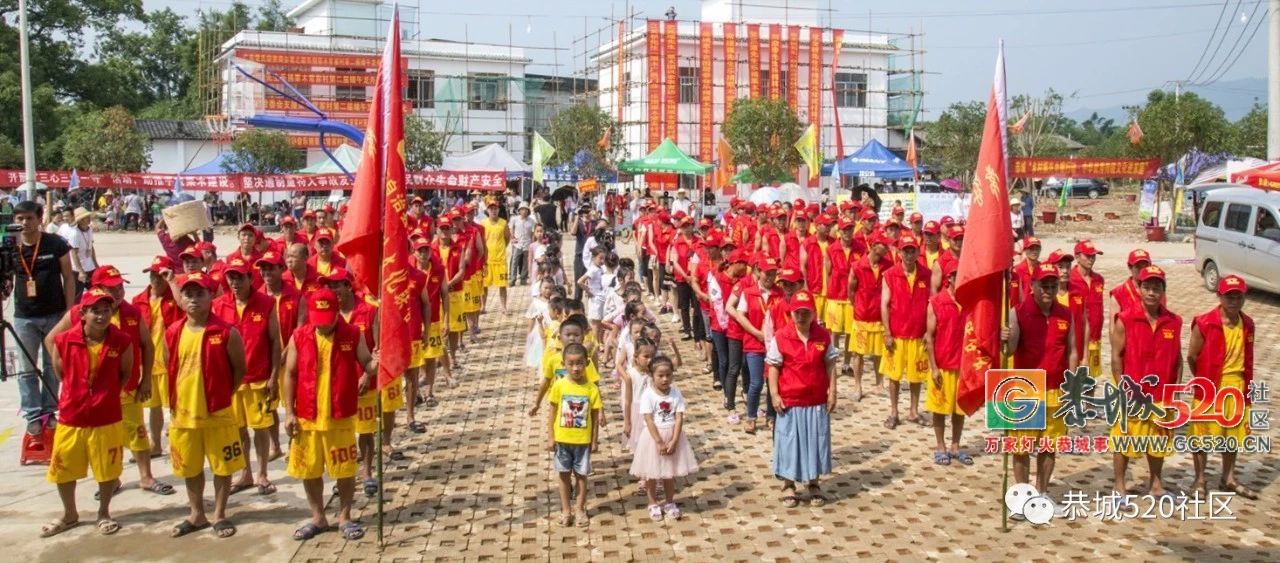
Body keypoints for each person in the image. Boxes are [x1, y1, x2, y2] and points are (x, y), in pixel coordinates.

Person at [283, 288, 377, 541]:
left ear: (337, 312)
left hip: (340, 415)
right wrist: (289, 412)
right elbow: (290, 374)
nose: (322, 325)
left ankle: (345, 517)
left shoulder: (352, 334)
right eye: (317, 319)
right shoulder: (299, 336)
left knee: (345, 469)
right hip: (306, 416)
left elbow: (366, 361)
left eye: (327, 318)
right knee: (309, 470)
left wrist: (376, 364)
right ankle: (318, 518)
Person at [40, 288, 134, 537]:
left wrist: (106, 394)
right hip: (72, 415)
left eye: (106, 311)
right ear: (83, 313)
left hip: (107, 416)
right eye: (95, 311)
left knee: (107, 470)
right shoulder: (64, 340)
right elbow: (61, 373)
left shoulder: (121, 341)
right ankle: (70, 513)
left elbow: (125, 374)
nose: (102, 316)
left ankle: (104, 512)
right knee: (63, 468)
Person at [165, 272, 247, 539]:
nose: (194, 299)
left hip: (218, 412)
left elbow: (239, 370)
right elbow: (170, 367)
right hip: (183, 415)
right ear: (182, 299)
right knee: (190, 467)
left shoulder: (226, 332)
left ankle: (220, 514)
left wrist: (221, 394)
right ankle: (196, 513)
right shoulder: (173, 332)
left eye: (200, 293)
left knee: (222, 467)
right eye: (188, 294)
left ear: (211, 296)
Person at [1002, 264, 1076, 518]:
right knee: (1021, 447)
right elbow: (1009, 351)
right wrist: (1003, 337)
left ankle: (1042, 495)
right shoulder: (1017, 313)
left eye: (1053, 285)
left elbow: (1072, 350)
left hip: (1057, 389)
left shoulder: (1066, 314)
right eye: (1043, 285)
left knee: (1048, 446)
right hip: (1025, 389)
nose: (1049, 290)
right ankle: (1022, 498)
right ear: (1031, 286)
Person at [1109, 265, 1181, 501]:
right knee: (1124, 438)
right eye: (1147, 287)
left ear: (1163, 291)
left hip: (1161, 393)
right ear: (1139, 288)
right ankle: (1119, 486)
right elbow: (1116, 357)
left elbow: (1178, 359)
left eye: (1156, 288)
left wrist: (1175, 392)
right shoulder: (1126, 319)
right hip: (1133, 393)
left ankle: (1156, 484)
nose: (1151, 292)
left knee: (1158, 439)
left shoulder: (1173, 322)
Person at [212, 257, 282, 496]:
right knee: (239, 429)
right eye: (230, 277)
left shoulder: (266, 303)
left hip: (259, 378)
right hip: (232, 383)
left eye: (239, 277)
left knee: (260, 428)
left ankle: (262, 474)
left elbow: (275, 342)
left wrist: (274, 375)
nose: (234, 282)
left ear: (250, 278)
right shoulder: (219, 305)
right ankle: (246, 474)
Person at [1187, 275, 1260, 500]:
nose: (1234, 301)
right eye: (1229, 296)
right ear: (1219, 296)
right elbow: (1191, 356)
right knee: (1202, 437)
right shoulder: (1204, 323)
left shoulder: (1247, 324)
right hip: (1210, 388)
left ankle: (1228, 478)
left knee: (1232, 436)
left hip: (1237, 387)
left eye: (1238, 296)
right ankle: (1199, 480)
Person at [9, 200, 76, 437]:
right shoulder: (9, 247)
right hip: (24, 317)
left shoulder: (55, 243)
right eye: (19, 219)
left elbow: (69, 277)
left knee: (52, 365)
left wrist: (69, 311)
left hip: (54, 315)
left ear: (40, 220)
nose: (25, 223)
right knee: (27, 368)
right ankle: (33, 414)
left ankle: (49, 412)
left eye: (29, 218)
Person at [766, 290, 838, 507]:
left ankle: (813, 483)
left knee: (816, 441)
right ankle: (788, 484)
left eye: (806, 312)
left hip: (816, 400)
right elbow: (773, 367)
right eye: (797, 312)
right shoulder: (781, 336)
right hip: (790, 401)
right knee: (789, 442)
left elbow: (830, 363)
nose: (801, 316)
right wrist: (774, 394)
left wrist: (833, 392)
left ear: (813, 313)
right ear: (791, 313)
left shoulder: (823, 335)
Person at [629, 354, 699, 522]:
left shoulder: (676, 393)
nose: (665, 379)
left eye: (668, 375)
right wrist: (659, 442)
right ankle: (652, 503)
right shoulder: (648, 394)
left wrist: (674, 440)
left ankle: (669, 502)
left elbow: (679, 416)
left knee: (669, 474)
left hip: (673, 435)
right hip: (653, 438)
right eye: (660, 375)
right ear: (652, 375)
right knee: (651, 474)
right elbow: (648, 419)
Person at [546, 343, 604, 527]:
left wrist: (594, 441)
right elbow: (552, 413)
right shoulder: (559, 386)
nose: (576, 368)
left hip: (582, 442)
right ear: (564, 364)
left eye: (579, 363)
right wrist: (551, 436)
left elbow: (595, 417)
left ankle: (580, 509)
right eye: (571, 364)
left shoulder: (591, 389)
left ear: (586, 363)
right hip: (562, 441)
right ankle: (565, 510)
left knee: (581, 476)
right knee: (563, 475)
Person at [132, 256, 183, 456]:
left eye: (160, 275)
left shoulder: (176, 297)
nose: (155, 279)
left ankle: (178, 444)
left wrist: (173, 282)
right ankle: (156, 444)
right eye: (152, 274)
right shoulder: (139, 301)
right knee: (153, 408)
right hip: (147, 363)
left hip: (170, 362)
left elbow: (186, 308)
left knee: (174, 406)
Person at [880, 236, 931, 429]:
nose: (909, 255)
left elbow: (931, 305)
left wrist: (928, 331)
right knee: (894, 375)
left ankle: (913, 410)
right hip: (897, 334)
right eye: (905, 251)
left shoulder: (926, 274)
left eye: (912, 251)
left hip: (918, 334)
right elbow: (884, 305)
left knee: (916, 375)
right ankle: (894, 412)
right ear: (899, 253)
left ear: (918, 252)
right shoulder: (890, 275)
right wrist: (887, 332)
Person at [924, 262, 971, 465]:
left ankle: (955, 445)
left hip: (962, 365)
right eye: (955, 275)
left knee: (959, 410)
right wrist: (933, 367)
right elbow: (929, 338)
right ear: (949, 278)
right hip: (942, 365)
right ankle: (940, 446)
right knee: (940, 409)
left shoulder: (970, 302)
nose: (958, 278)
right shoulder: (936, 302)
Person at [848, 234, 892, 402]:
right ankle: (858, 386)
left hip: (880, 316)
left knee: (879, 353)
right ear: (874, 245)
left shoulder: (888, 266)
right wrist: (859, 305)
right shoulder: (857, 266)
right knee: (857, 353)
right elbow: (851, 291)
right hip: (861, 316)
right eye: (884, 245)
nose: (887, 248)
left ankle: (879, 383)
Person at [1068, 241, 1106, 380]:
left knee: (1091, 380)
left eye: (1094, 256)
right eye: (1088, 256)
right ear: (1077, 257)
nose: (1092, 259)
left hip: (1095, 338)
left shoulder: (1099, 280)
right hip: (1075, 338)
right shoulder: (1070, 280)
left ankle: (1089, 402)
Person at [67, 207, 99, 297]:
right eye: (86, 217)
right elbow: (74, 253)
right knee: (77, 296)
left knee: (96, 293)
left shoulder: (89, 230)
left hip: (90, 267)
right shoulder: (75, 234)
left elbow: (91, 247)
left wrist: (96, 264)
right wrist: (80, 270)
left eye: (89, 217)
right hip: (78, 270)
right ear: (80, 220)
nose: (89, 219)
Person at [509, 202, 535, 285]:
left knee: (526, 262)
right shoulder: (514, 219)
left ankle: (523, 278)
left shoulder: (531, 221)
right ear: (519, 211)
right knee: (514, 261)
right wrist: (512, 238)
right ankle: (512, 279)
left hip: (527, 243)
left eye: (526, 209)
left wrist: (532, 242)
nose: (524, 211)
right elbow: (511, 228)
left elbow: (533, 232)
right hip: (517, 243)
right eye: (522, 209)